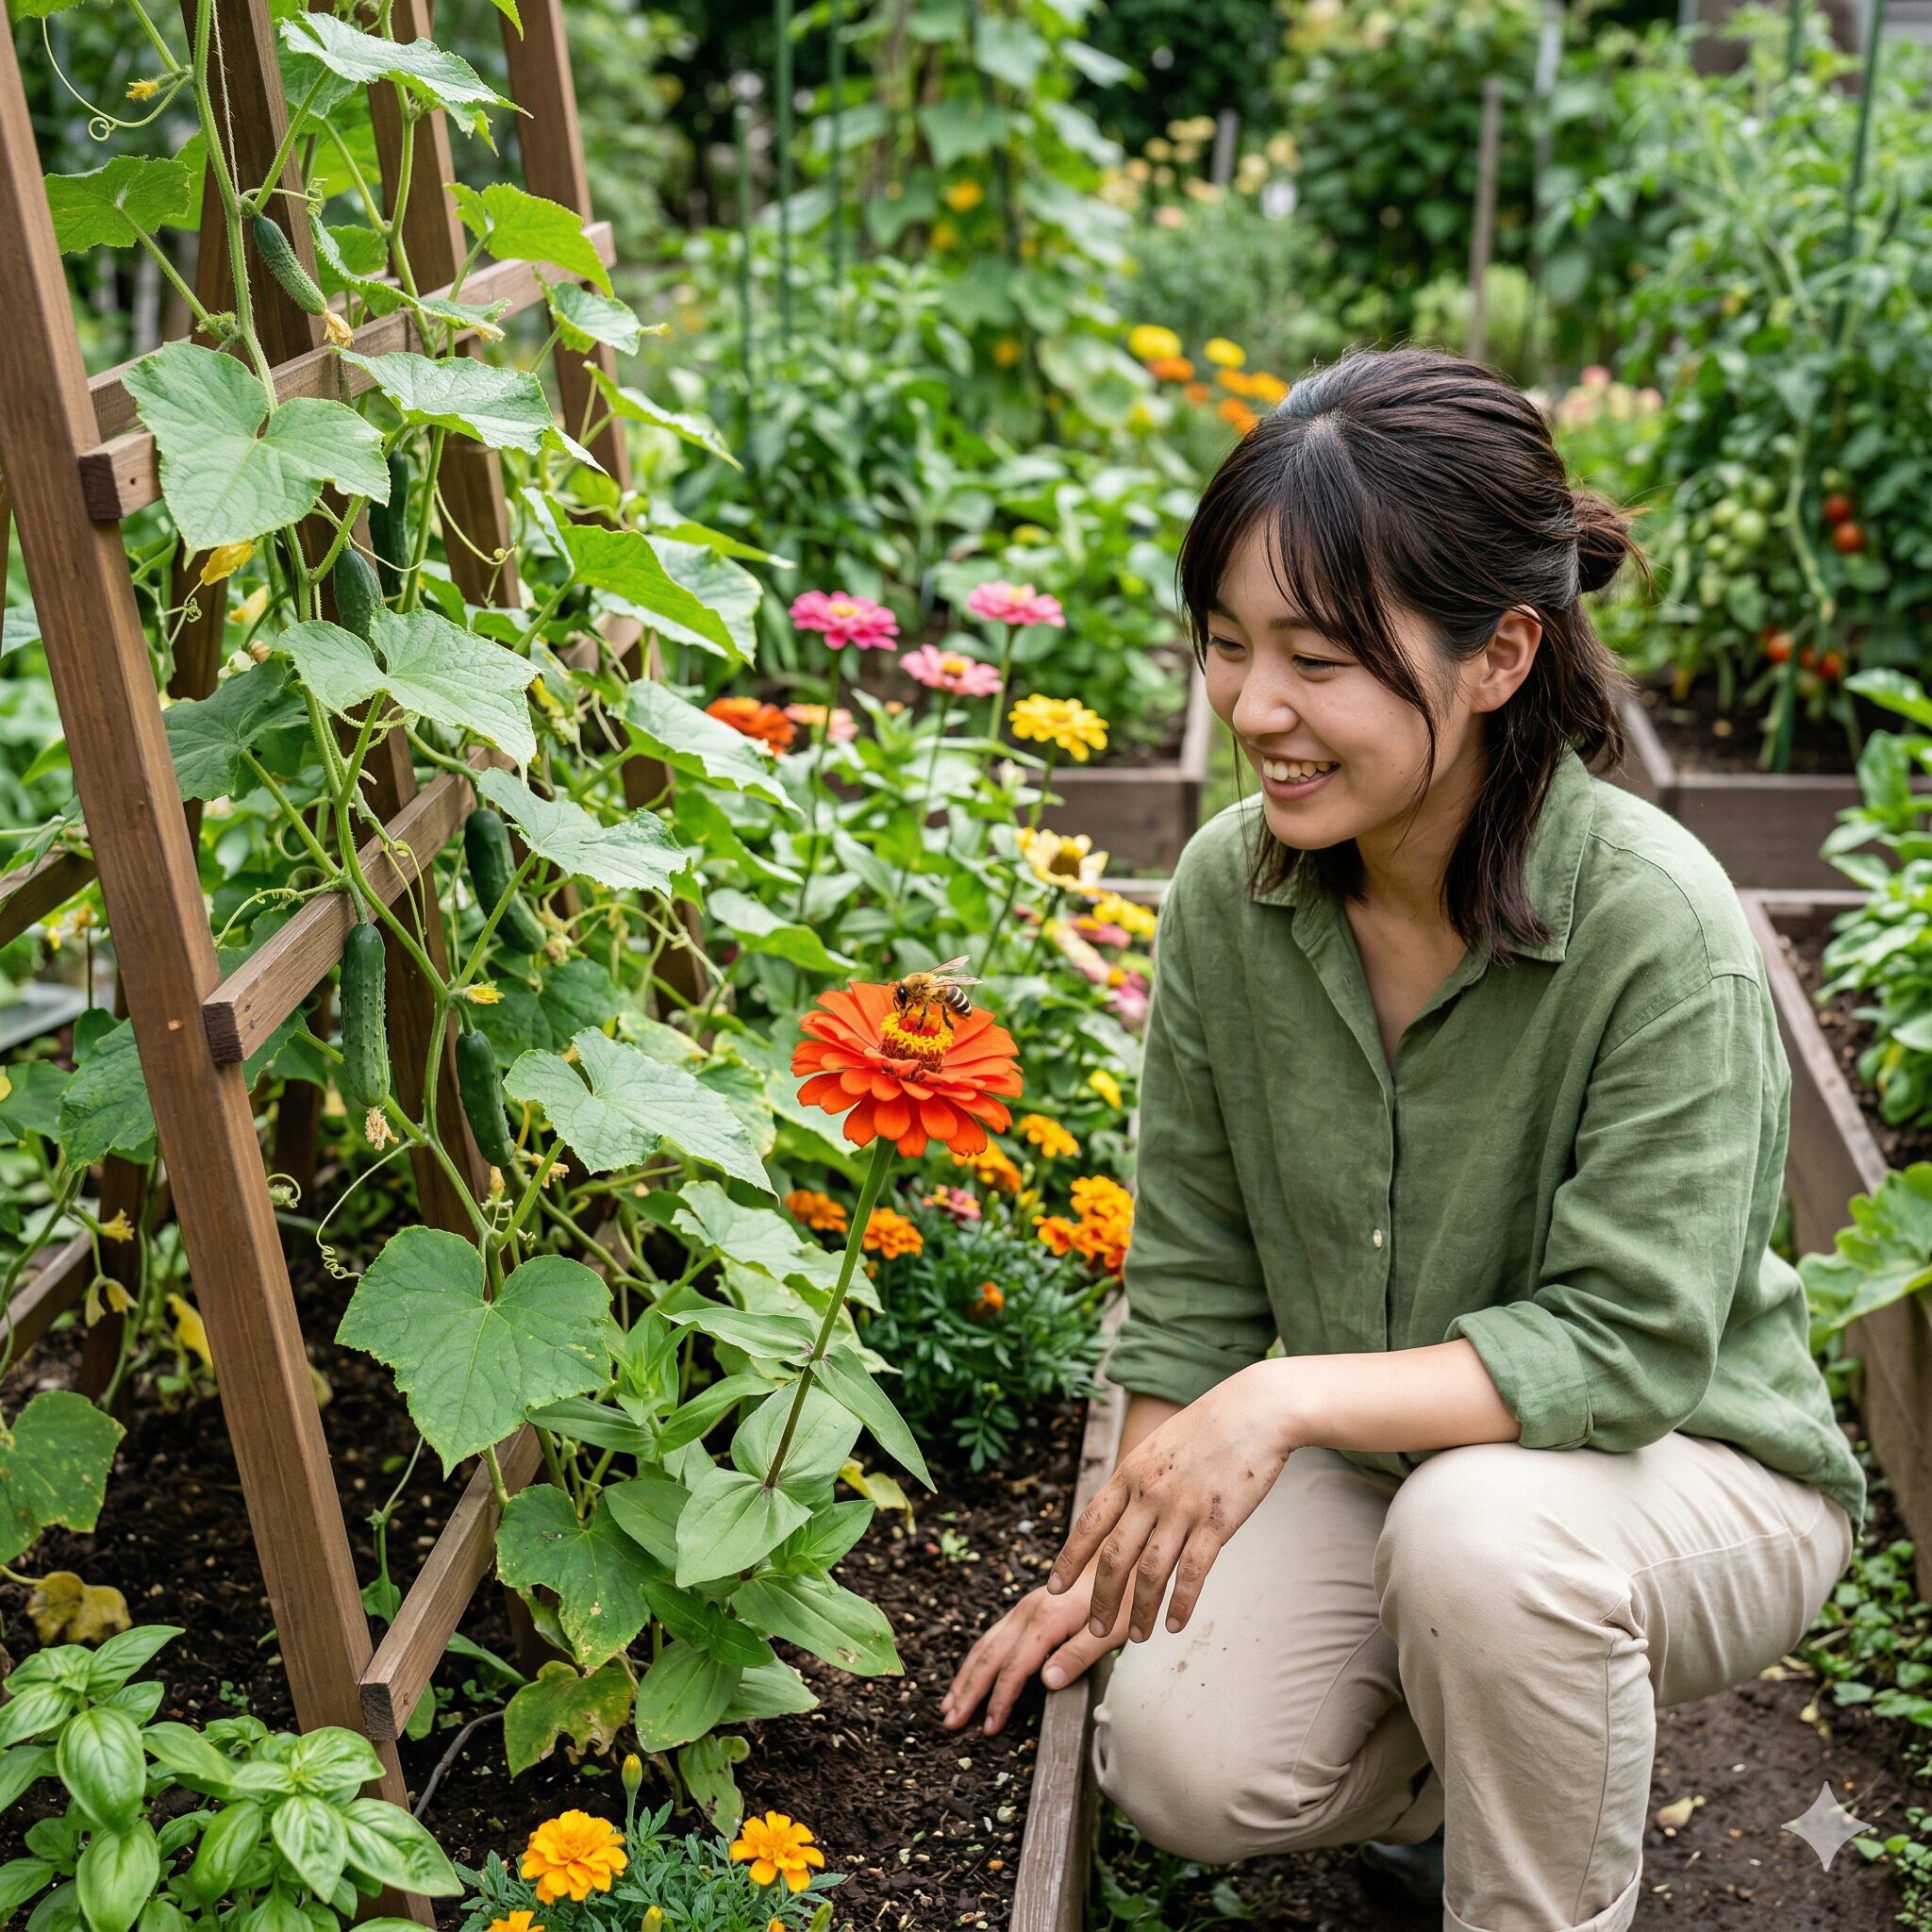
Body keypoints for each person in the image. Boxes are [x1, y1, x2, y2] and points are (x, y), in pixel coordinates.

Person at [939, 347, 1864, 1932]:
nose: (1255, 710)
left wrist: (1285, 1398)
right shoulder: (1235, 901)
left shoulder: (1659, 930)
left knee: (1484, 1541)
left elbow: (1632, 1345)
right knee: (1181, 1761)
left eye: (1319, 659)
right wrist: (1118, 1557)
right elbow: (1196, 1283)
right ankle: (1521, 1744)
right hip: (1393, 1469)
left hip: (1679, 1473)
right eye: (1227, 648)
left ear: (1502, 651)